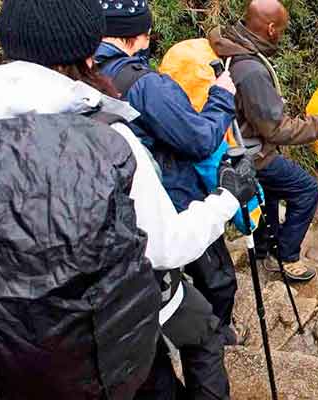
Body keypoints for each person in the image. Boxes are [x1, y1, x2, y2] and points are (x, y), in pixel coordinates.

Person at [0, 0, 257, 398]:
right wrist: (229, 197)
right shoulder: (107, 136)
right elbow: (165, 247)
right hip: (113, 351)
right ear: (88, 51)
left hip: (13, 357)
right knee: (201, 336)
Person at [93, 0, 243, 345]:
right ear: (140, 35)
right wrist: (221, 96)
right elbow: (200, 139)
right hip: (172, 196)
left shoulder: (83, 73)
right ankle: (215, 337)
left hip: (117, 213)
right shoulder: (146, 85)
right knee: (216, 278)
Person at [208, 0, 318, 282]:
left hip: (236, 146)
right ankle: (287, 257)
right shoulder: (250, 70)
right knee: (306, 190)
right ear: (271, 28)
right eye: (281, 30)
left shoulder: (230, 47)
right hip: (253, 154)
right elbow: (276, 129)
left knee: (269, 196)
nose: (282, 35)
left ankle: (263, 251)